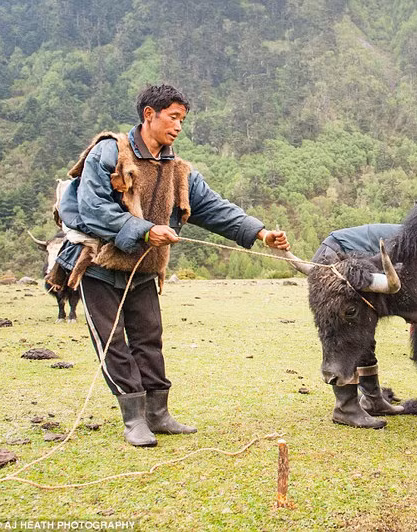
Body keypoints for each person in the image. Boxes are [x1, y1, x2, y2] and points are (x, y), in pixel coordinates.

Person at [52, 85, 290, 447]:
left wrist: (260, 233)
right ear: (149, 114)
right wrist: (145, 231)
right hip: (99, 266)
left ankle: (158, 414)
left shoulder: (178, 171)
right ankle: (134, 419)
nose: (178, 126)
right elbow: (92, 208)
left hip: (144, 269)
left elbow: (214, 208)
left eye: (183, 119)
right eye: (173, 117)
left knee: (149, 338)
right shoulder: (109, 152)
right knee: (113, 342)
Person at [311, 224, 405, 429]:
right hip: (334, 257)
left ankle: (372, 399)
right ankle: (345, 407)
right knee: (346, 330)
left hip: (356, 260)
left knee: (364, 332)